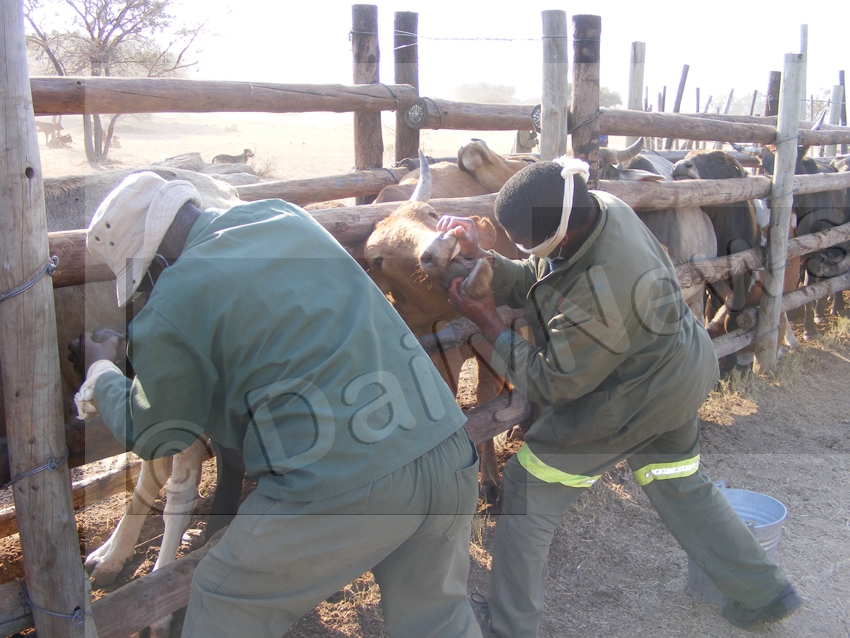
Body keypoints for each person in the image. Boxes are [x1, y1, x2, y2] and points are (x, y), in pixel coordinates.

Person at [75, 171, 483, 638]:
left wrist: (102, 374)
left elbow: (157, 433)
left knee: (223, 603)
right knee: (438, 620)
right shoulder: (283, 215)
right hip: (445, 444)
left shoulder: (173, 296)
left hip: (344, 480)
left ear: (152, 264)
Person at [436, 158, 802, 637]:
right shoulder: (600, 208)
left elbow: (552, 383)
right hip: (681, 369)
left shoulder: (605, 286)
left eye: (529, 240)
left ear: (560, 235)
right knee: (679, 481)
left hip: (635, 395)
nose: (527, 249)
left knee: (528, 486)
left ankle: (509, 627)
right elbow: (539, 274)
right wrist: (482, 258)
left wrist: (487, 319)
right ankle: (766, 592)